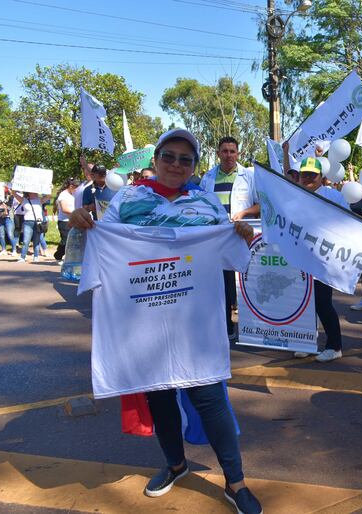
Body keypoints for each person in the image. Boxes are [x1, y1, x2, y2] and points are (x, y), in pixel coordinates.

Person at [69, 128, 262, 514]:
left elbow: (229, 254)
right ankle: (176, 464)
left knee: (210, 399)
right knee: (158, 394)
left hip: (197, 326)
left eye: (185, 159)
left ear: (194, 166)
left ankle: (235, 482)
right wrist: (81, 226)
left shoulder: (207, 204)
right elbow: (102, 245)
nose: (176, 164)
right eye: (169, 156)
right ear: (156, 160)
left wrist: (238, 233)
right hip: (145, 322)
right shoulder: (128, 199)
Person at [199, 137, 260, 341]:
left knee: (247, 281)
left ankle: (256, 327)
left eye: (232, 151)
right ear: (218, 153)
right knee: (221, 284)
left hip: (243, 236)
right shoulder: (207, 178)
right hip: (217, 239)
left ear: (238, 154)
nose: (228, 155)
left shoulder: (249, 177)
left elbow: (262, 205)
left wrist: (244, 213)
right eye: (224, 151)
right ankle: (226, 327)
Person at [294, 156, 350, 363]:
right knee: (304, 302)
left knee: (322, 302)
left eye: (312, 175)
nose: (308, 178)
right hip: (300, 257)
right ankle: (307, 342)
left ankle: (334, 346)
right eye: (304, 174)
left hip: (324, 258)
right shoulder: (295, 196)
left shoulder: (333, 196)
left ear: (321, 177)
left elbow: (348, 221)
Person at [12, 191, 48, 263]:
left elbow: (49, 196)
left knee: (36, 241)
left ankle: (36, 256)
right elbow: (14, 194)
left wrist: (49, 188)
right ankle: (23, 257)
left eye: (35, 192)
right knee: (26, 241)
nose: (35, 193)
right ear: (29, 193)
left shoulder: (39, 200)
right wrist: (13, 190)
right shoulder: (24, 200)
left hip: (38, 222)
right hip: (28, 222)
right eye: (33, 192)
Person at [54, 178, 79, 262]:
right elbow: (64, 209)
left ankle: (70, 258)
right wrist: (76, 213)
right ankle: (58, 255)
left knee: (73, 240)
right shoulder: (63, 195)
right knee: (65, 240)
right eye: (76, 188)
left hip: (74, 221)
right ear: (71, 186)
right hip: (64, 221)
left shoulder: (74, 195)